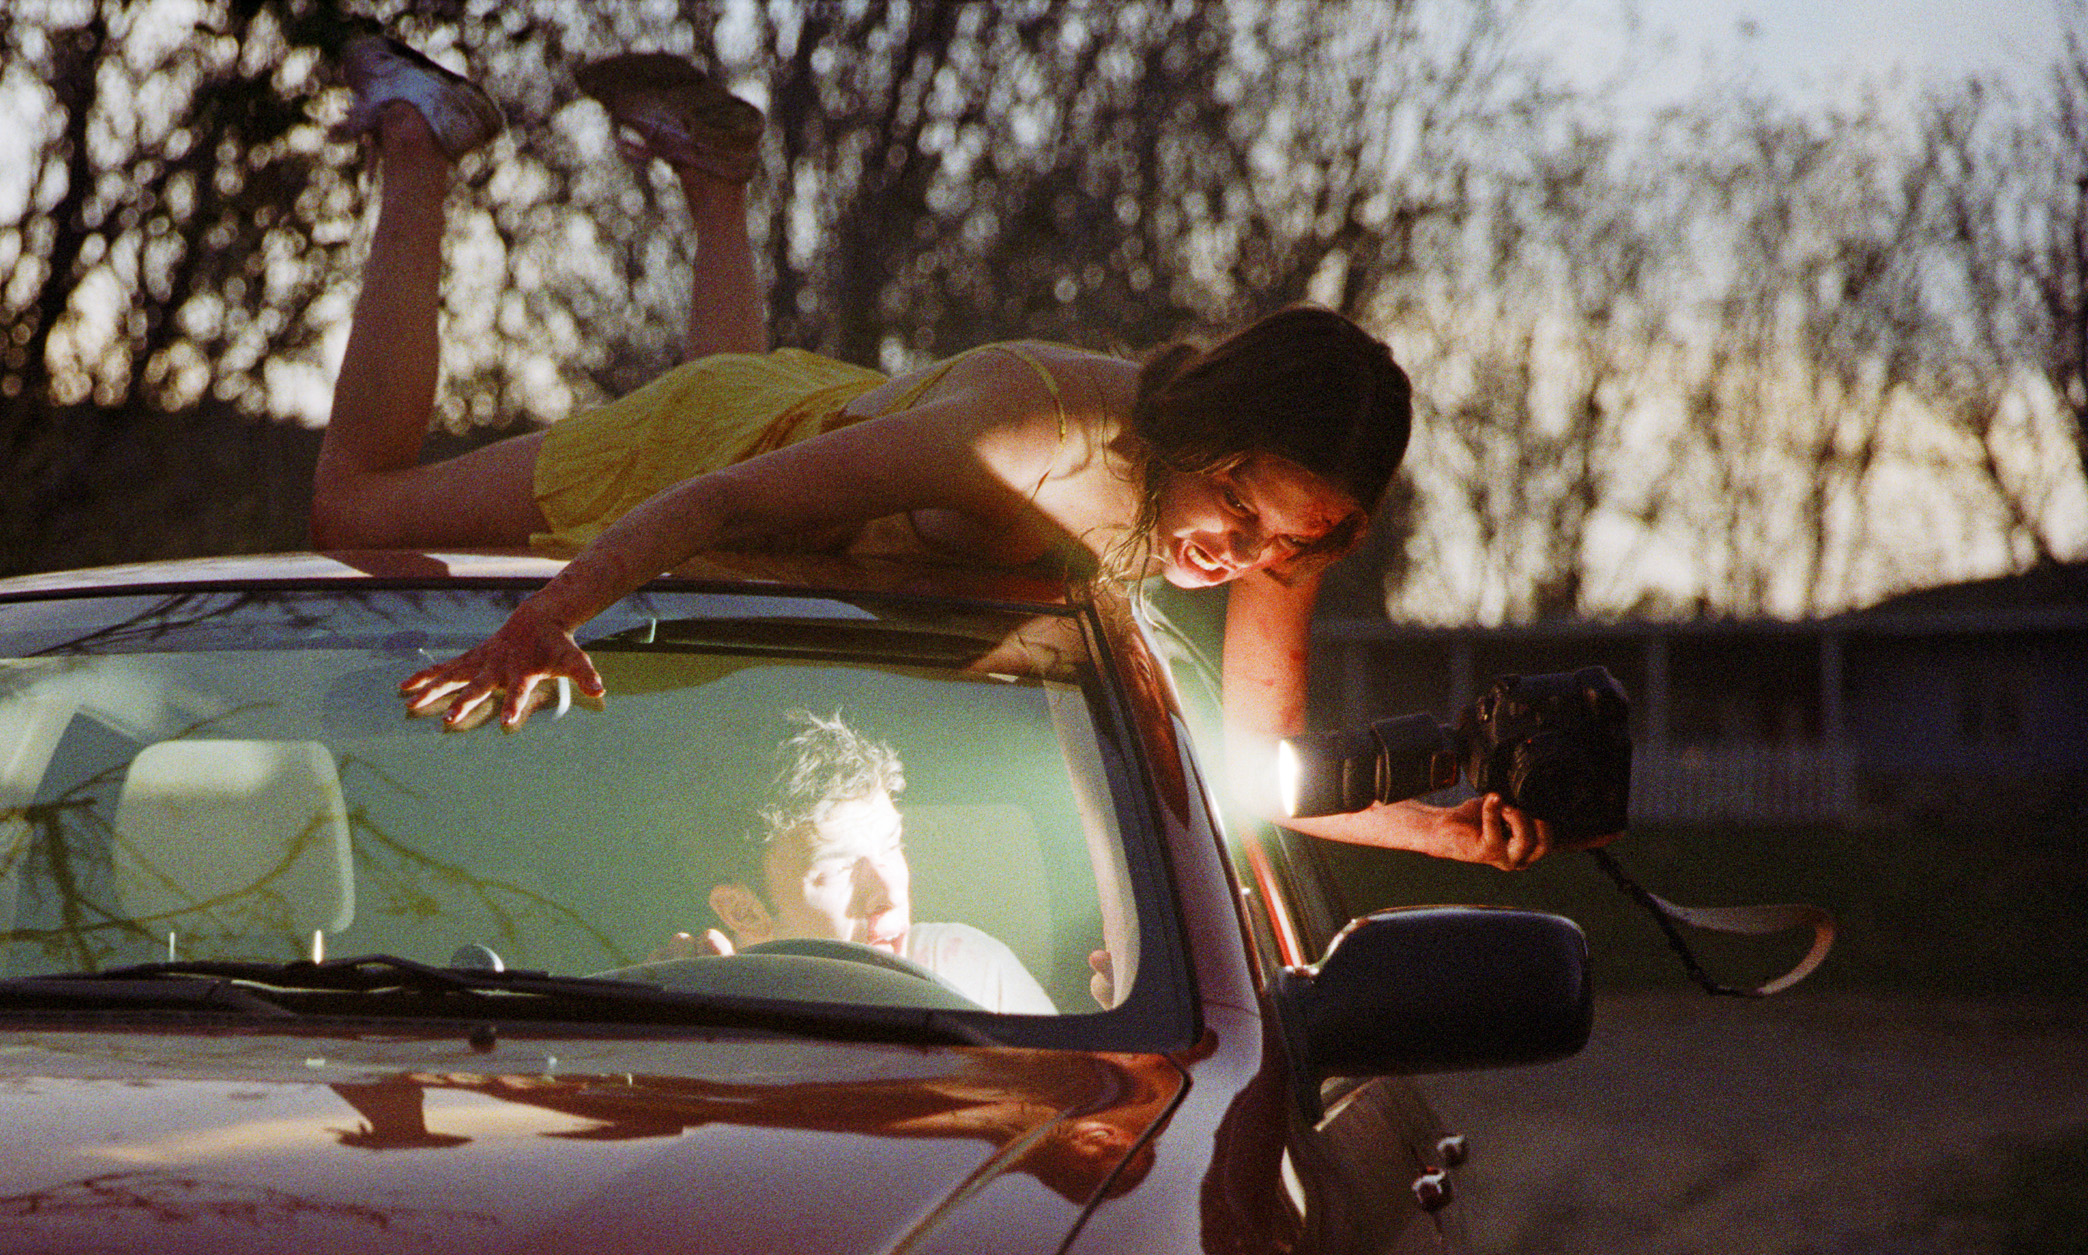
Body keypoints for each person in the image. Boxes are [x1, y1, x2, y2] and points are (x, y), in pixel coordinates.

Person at [311, 33, 1554, 871]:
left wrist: (1431, 829)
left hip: (831, 458)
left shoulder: (1275, 523)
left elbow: (1246, 773)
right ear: (1207, 421)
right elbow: (726, 499)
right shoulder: (1028, 435)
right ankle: (421, 136)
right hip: (713, 448)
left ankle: (715, 176)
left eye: (1288, 545)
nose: (1243, 556)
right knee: (355, 514)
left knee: (788, 503)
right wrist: (546, 618)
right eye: (1239, 508)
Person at [658, 708, 1059, 1016]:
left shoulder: (972, 973)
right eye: (840, 868)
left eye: (892, 845)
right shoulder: (693, 1018)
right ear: (742, 911)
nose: (889, 892)